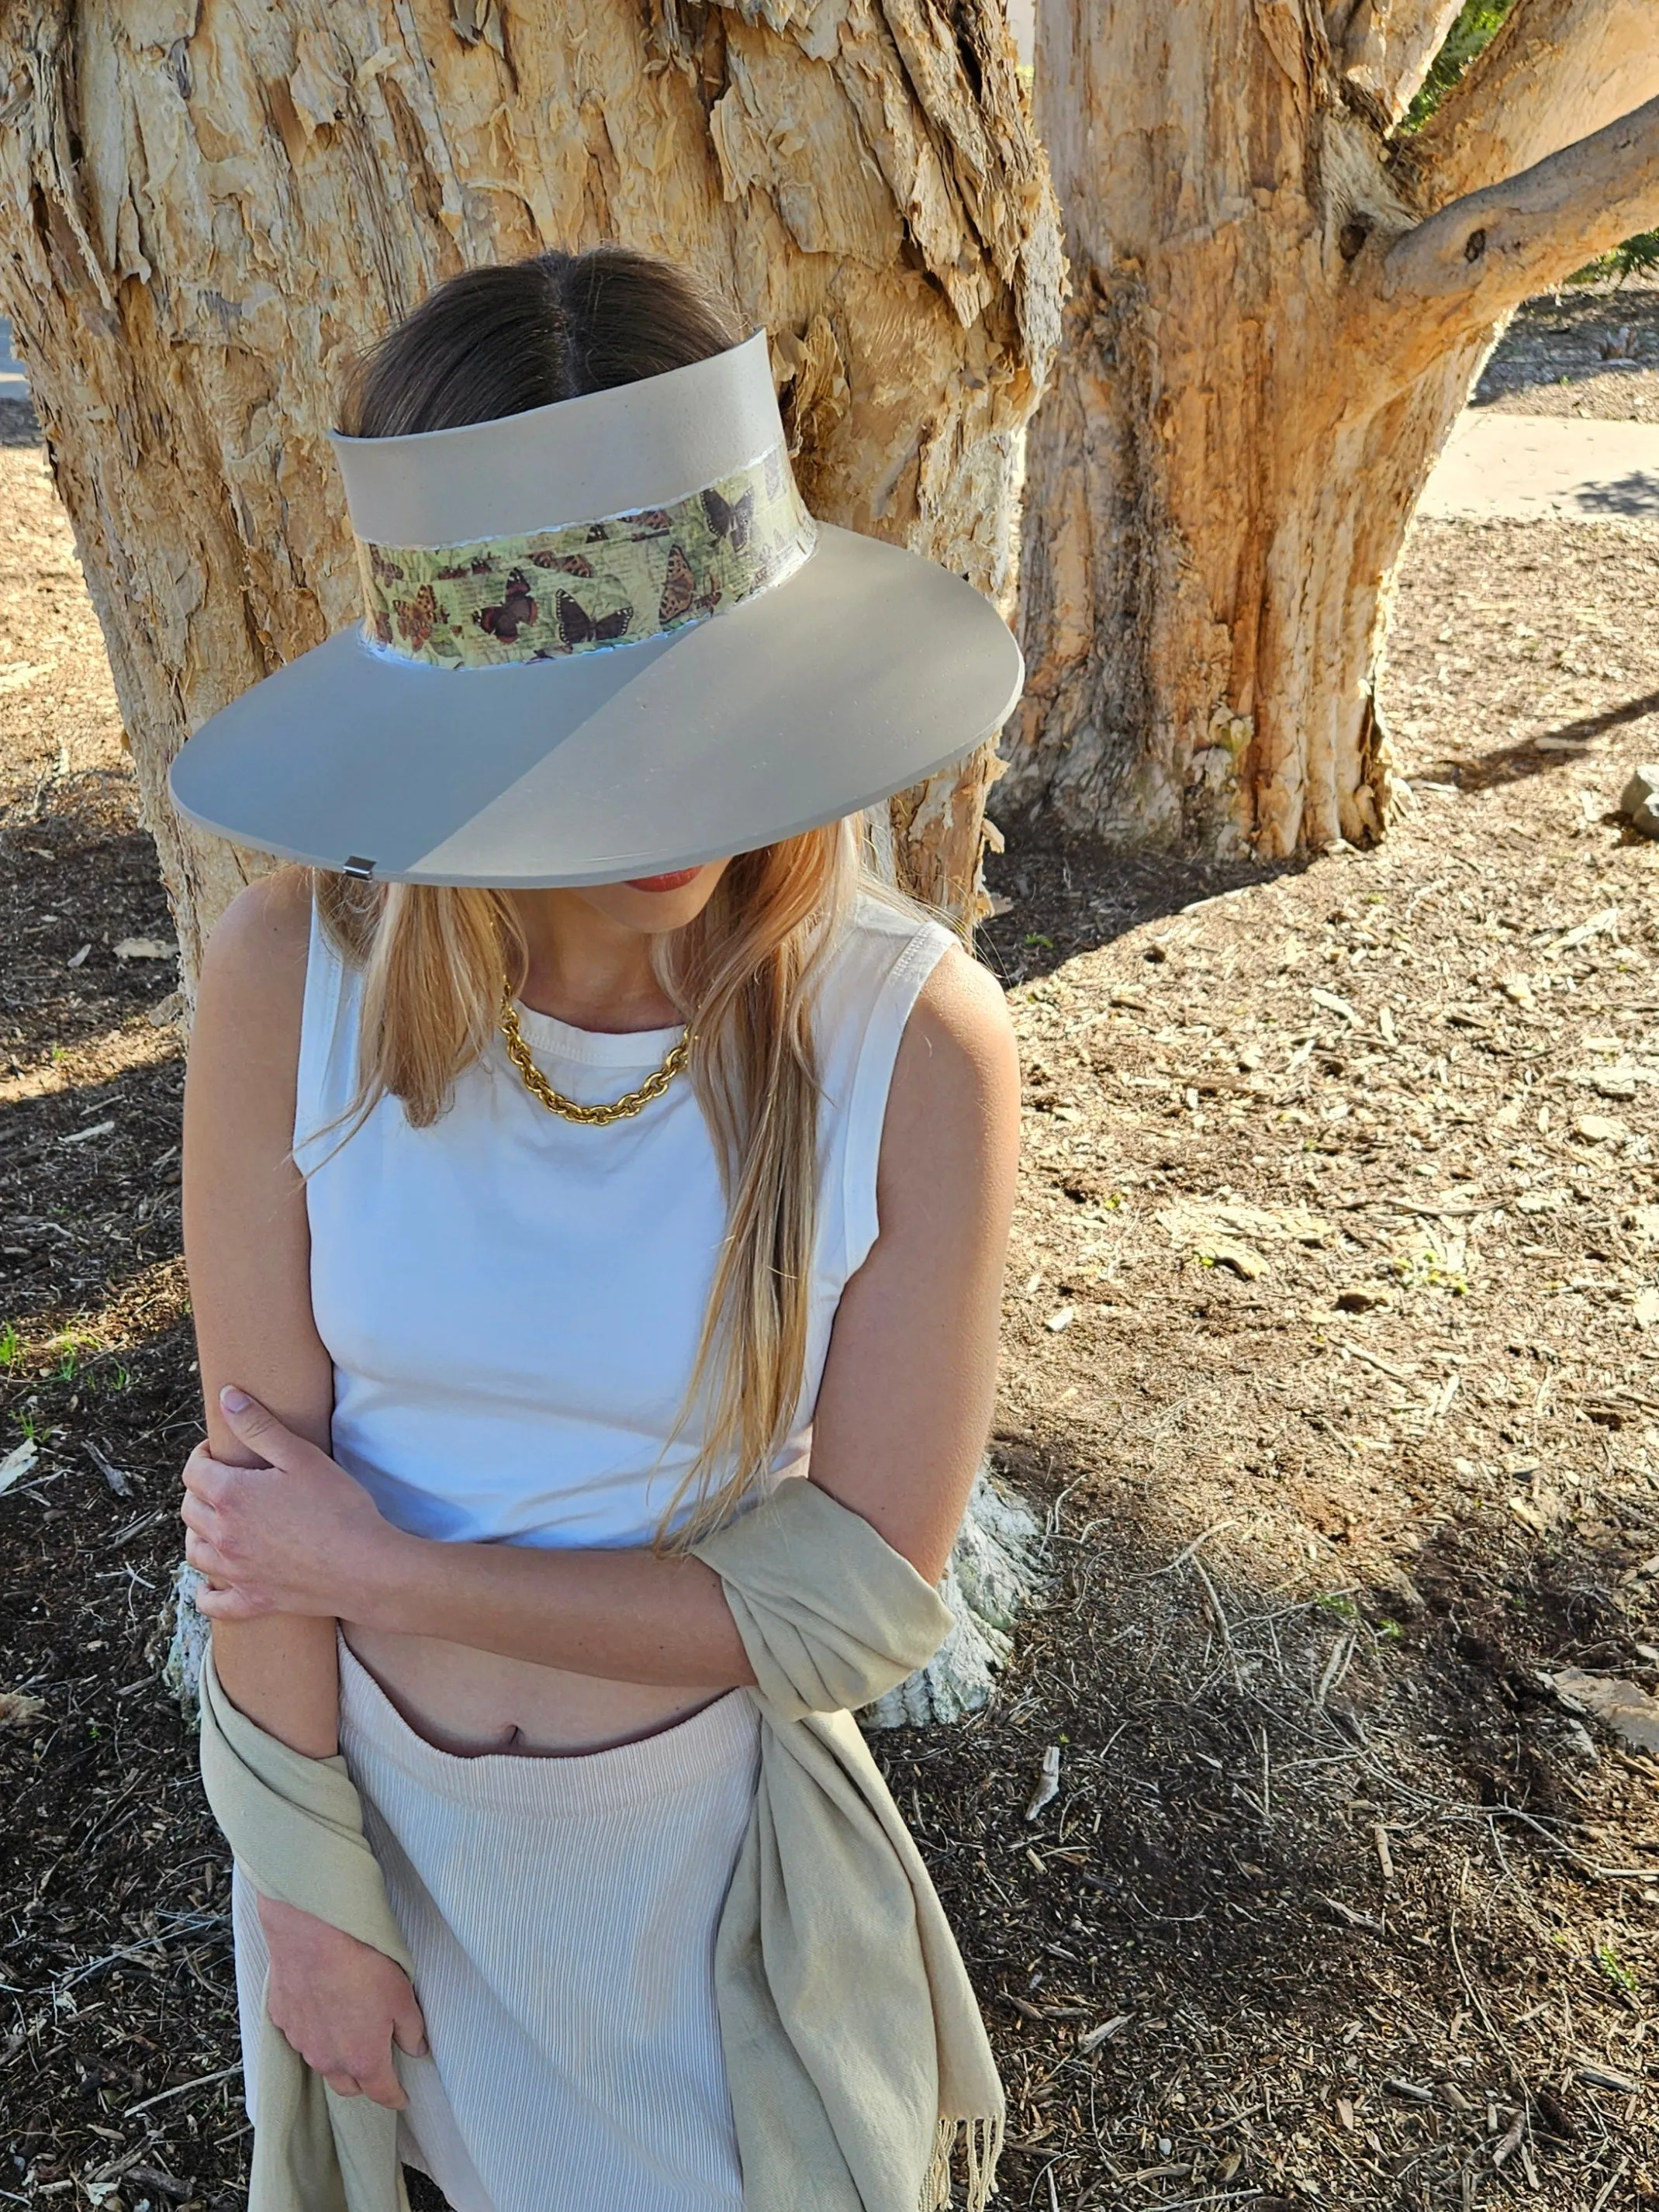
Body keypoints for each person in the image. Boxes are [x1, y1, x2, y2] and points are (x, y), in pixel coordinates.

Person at [170, 244, 1023, 2212]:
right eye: (577, 712)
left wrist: (393, 1568)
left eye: (697, 689)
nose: (666, 779)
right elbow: (256, 1489)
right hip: (357, 1828)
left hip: (699, 1885)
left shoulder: (904, 1041)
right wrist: (306, 1891)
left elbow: (856, 1599)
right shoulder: (295, 970)